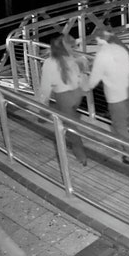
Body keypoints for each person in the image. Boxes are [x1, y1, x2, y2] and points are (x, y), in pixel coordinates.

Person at [85, 29, 129, 166]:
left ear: (100, 40)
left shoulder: (102, 55)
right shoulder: (121, 50)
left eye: (96, 40)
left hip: (115, 96)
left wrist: (85, 87)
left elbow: (94, 78)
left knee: (120, 126)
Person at [35, 34, 88, 166]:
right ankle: (65, 123)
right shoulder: (76, 59)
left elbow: (45, 89)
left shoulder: (49, 63)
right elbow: (82, 79)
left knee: (71, 126)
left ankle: (80, 153)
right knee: (69, 117)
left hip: (64, 97)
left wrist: (42, 107)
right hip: (78, 95)